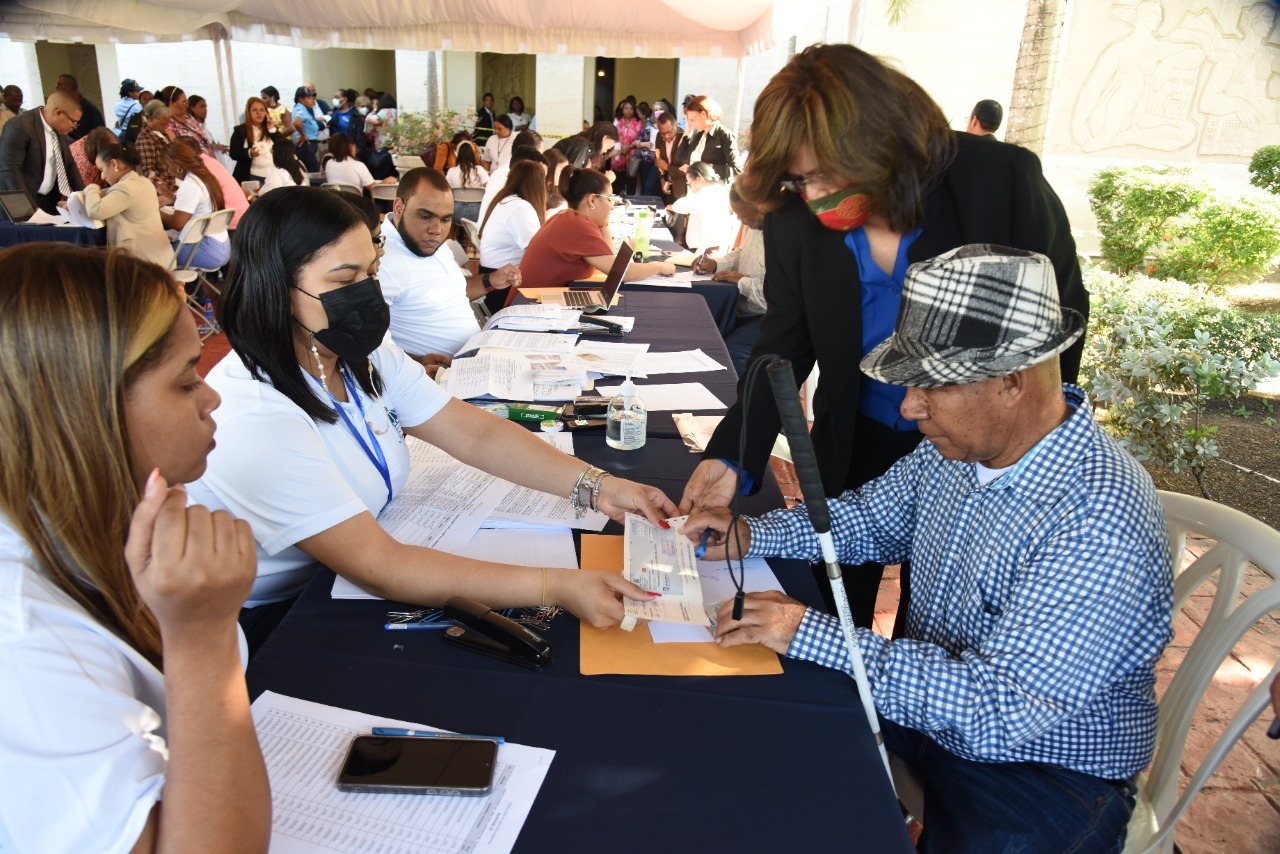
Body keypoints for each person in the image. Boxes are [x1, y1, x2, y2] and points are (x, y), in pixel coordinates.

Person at [683, 245, 1172, 853]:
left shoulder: (1099, 516)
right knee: (769, 723)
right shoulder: (963, 448)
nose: (909, 408)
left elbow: (998, 709)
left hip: (1043, 764)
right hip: (931, 707)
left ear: (1011, 383)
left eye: (928, 388)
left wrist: (805, 630)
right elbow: (866, 521)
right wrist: (754, 533)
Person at [678, 44, 1088, 631]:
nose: (816, 198)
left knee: (946, 619)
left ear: (881, 141)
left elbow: (1056, 330)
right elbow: (782, 350)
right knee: (834, 600)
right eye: (799, 180)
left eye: (826, 174)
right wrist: (734, 455)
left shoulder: (999, 184)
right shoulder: (799, 221)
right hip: (858, 436)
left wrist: (1018, 457)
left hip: (982, 446)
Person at [187, 188, 676, 647]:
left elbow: (471, 431)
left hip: (366, 555)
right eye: (343, 280)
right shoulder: (255, 416)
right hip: (280, 616)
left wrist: (600, 486)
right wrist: (556, 586)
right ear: (275, 287)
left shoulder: (357, 351)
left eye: (371, 274)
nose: (366, 294)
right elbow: (378, 565)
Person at [0, 244, 270, 853]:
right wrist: (203, 639)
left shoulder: (98, 517)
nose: (211, 398)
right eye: (184, 382)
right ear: (79, 408)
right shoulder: (21, 643)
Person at [377, 168, 520, 359]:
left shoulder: (432, 244)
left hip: (478, 357)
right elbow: (369, 347)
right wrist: (418, 362)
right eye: (425, 216)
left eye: (445, 219)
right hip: (441, 376)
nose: (436, 230)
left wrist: (490, 281)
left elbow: (448, 292)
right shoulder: (379, 260)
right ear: (399, 208)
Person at [519, 166, 676, 288]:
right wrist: (659, 266)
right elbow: (621, 273)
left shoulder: (571, 218)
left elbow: (609, 259)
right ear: (592, 200)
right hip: (528, 306)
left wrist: (604, 223)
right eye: (609, 199)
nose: (612, 206)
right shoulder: (576, 225)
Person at [692, 184, 767, 375]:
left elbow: (778, 296)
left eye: (743, 215)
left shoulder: (782, 234)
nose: (740, 220)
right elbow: (742, 253)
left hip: (768, 315)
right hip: (744, 307)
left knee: (729, 351)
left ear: (759, 207)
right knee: (701, 333)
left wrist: (743, 282)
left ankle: (740, 401)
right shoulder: (754, 226)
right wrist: (717, 264)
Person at [82, 143, 172, 267]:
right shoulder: (143, 182)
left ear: (114, 164)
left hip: (143, 263)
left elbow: (95, 211)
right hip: (159, 258)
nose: (102, 176)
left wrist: (91, 187)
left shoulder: (125, 188)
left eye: (102, 170)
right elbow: (109, 194)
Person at [0, 91, 84, 213]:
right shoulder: (19, 126)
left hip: (48, 201)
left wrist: (83, 197)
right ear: (58, 113)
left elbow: (70, 165)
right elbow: (9, 170)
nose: (75, 126)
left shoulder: (58, 129)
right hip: (23, 204)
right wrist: (30, 208)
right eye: (73, 121)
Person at [157, 140, 229, 270]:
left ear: (178, 165)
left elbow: (178, 224)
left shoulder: (190, 184)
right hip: (222, 246)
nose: (168, 171)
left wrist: (156, 210)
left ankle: (177, 289)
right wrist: (172, 198)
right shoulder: (205, 177)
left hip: (206, 250)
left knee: (153, 256)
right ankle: (187, 288)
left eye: (168, 166)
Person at [479, 160, 547, 272]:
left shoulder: (505, 201)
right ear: (538, 185)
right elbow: (537, 250)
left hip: (494, 274)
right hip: (503, 280)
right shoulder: (520, 207)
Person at [172, 136, 248, 229]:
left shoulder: (200, 168)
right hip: (239, 217)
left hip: (231, 222)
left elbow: (179, 223)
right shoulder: (209, 161)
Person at [666, 161, 738, 252]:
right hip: (708, 245)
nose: (689, 186)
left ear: (699, 179)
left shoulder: (709, 192)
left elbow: (685, 205)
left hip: (707, 248)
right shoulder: (718, 188)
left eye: (689, 183)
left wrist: (671, 207)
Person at [676, 95, 741, 184]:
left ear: (703, 114)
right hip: (694, 189)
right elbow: (679, 156)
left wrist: (705, 167)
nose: (692, 123)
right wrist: (688, 129)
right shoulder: (699, 135)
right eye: (689, 120)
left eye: (693, 120)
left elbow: (737, 170)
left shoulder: (724, 134)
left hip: (713, 190)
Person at [324, 132, 395, 192]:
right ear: (350, 147)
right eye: (355, 148)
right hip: (355, 205)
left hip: (334, 204)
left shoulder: (329, 164)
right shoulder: (358, 166)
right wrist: (385, 181)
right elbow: (374, 188)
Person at [228, 96, 275, 183]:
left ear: (266, 113)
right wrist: (249, 152)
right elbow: (233, 153)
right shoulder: (240, 130)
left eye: (262, 110)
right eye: (254, 110)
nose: (259, 113)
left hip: (272, 175)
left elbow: (282, 145)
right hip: (251, 176)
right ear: (248, 113)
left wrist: (272, 129)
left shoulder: (270, 129)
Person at [132, 99, 174, 191]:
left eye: (168, 123)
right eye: (163, 124)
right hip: (163, 190)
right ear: (151, 119)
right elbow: (149, 172)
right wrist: (171, 188)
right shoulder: (145, 139)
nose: (166, 127)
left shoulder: (160, 134)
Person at [160, 87, 211, 155]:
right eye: (184, 102)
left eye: (187, 102)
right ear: (171, 103)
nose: (186, 105)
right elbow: (178, 153)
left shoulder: (189, 118)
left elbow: (206, 144)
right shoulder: (168, 126)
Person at [55, 74, 105, 142]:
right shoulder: (59, 109)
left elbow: (100, 134)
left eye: (59, 84)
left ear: (69, 86)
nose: (56, 87)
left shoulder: (89, 109)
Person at [612, 99, 644, 196]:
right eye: (626, 108)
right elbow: (613, 136)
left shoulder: (638, 123)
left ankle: (631, 199)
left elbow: (640, 138)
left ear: (634, 110)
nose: (628, 111)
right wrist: (621, 146)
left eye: (631, 108)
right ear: (622, 110)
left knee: (631, 179)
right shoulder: (617, 122)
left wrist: (629, 147)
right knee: (618, 181)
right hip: (619, 153)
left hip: (632, 154)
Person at [653, 110, 686, 203]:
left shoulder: (684, 138)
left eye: (669, 132)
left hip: (682, 189)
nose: (666, 136)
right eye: (663, 133)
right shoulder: (659, 137)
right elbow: (658, 159)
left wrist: (666, 167)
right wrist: (662, 179)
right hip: (668, 187)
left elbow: (685, 169)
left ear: (675, 125)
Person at [290, 86, 321, 173]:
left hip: (308, 147)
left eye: (312, 98)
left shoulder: (304, 110)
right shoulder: (300, 108)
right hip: (305, 146)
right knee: (314, 174)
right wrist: (303, 135)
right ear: (301, 99)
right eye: (308, 98)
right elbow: (296, 122)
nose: (312, 100)